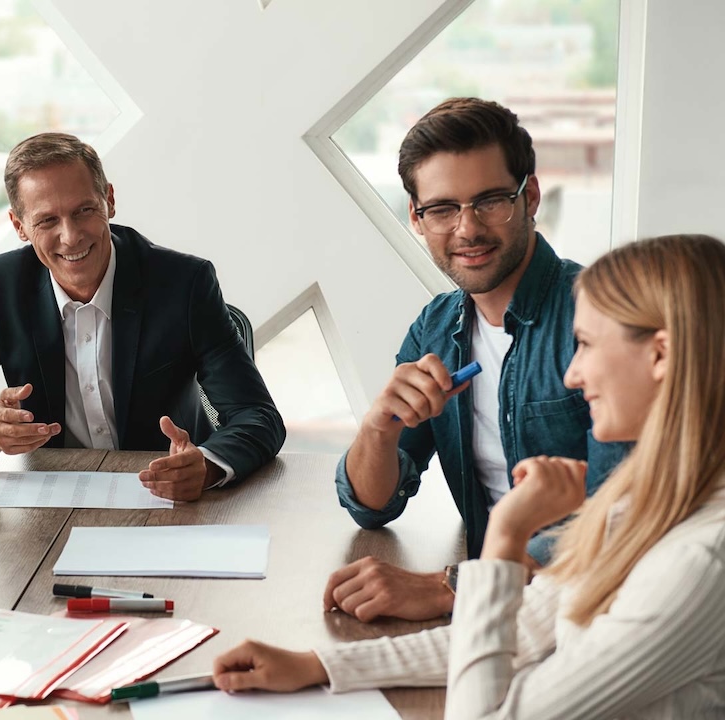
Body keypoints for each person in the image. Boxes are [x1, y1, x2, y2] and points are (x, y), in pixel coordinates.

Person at [214, 234, 725, 718]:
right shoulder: (642, 507)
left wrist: (506, 535)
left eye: (587, 344)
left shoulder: (696, 562)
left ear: (660, 355)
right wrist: (319, 666)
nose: (573, 374)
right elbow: (520, 631)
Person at [325, 98, 626, 622]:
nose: (467, 229)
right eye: (443, 209)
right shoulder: (435, 328)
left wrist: (453, 586)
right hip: (495, 611)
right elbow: (372, 506)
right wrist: (378, 429)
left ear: (530, 196)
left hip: (591, 609)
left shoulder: (602, 315)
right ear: (417, 218)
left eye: (489, 201)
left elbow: (627, 508)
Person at [0, 132, 284, 501]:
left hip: (168, 497)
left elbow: (258, 415)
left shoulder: (184, 284)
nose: (71, 236)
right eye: (47, 221)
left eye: (84, 211)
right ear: (19, 226)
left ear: (109, 200)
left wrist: (206, 466)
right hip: (52, 501)